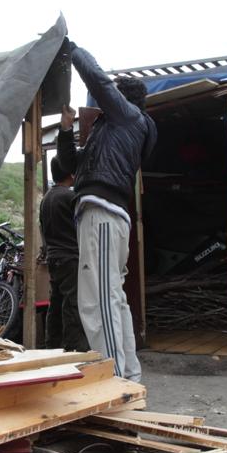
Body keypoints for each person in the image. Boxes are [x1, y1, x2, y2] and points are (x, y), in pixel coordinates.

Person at [56, 39, 156, 381]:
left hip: (103, 215)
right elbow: (69, 164)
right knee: (112, 298)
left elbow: (99, 81)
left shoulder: (128, 117)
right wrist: (67, 129)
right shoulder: (111, 133)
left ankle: (114, 379)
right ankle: (127, 373)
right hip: (104, 215)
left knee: (97, 302)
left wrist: (72, 48)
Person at [39, 157, 88, 352]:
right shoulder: (70, 197)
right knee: (72, 303)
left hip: (54, 257)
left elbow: (42, 229)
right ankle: (73, 347)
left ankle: (52, 344)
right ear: (71, 173)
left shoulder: (46, 198)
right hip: (70, 257)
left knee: (56, 302)